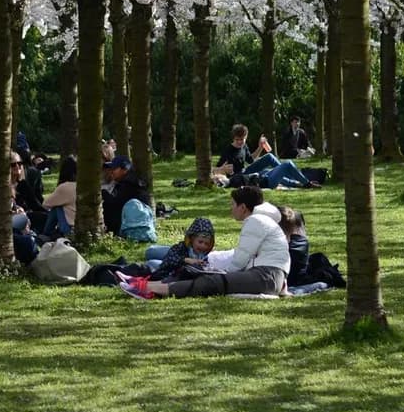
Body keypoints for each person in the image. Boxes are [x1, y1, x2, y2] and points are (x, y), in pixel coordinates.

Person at [120, 186, 289, 300]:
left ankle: (151, 289)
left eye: (233, 205)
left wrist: (218, 271)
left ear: (243, 207)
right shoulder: (261, 221)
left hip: (266, 277)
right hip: (268, 276)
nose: (231, 209)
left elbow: (239, 260)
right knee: (207, 275)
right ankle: (149, 285)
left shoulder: (255, 221)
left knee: (211, 281)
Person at [216, 124, 316, 189]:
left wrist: (260, 147)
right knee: (271, 172)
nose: (239, 142)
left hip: (246, 171)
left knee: (269, 157)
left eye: (242, 139)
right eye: (237, 139)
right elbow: (214, 170)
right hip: (239, 177)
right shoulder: (228, 150)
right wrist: (222, 169)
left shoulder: (244, 146)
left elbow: (250, 160)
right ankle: (300, 180)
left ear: (246, 137)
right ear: (233, 138)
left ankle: (294, 178)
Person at [101, 155, 151, 235]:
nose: (111, 172)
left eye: (114, 169)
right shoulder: (132, 180)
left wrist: (103, 193)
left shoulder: (129, 184)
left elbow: (116, 204)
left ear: (124, 169)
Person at [41, 156, 78, 239]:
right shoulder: (85, 186)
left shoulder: (65, 187)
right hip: (84, 228)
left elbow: (45, 204)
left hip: (70, 230)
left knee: (57, 206)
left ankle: (47, 233)